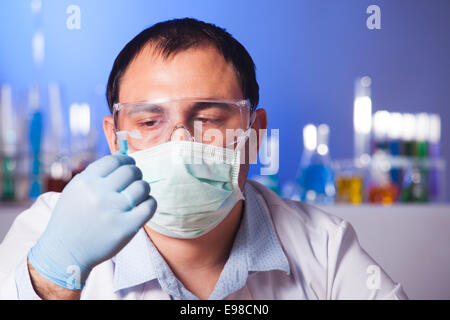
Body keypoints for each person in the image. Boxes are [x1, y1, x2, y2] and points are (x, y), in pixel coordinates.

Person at [0, 18, 407, 300]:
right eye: (149, 120)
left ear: (254, 133)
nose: (179, 142)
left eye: (208, 117)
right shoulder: (48, 231)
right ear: (115, 138)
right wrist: (53, 279)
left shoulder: (324, 248)